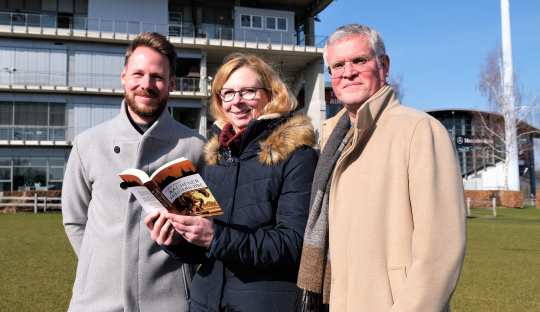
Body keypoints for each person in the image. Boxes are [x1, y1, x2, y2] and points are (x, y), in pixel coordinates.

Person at [297, 24, 467, 311]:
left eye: (359, 61)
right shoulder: (332, 141)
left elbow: (440, 250)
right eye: (337, 66)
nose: (347, 72)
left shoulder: (420, 131)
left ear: (384, 65)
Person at [145, 53, 318, 311]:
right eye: (228, 93)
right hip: (206, 302)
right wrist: (175, 240)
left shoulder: (297, 156)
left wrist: (215, 237)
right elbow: (202, 250)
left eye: (248, 91)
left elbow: (294, 245)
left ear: (272, 95)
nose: (237, 102)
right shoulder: (214, 158)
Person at [61, 32, 205, 312]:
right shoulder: (88, 144)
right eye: (138, 74)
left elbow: (203, 230)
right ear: (124, 77)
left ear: (171, 84)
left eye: (157, 77)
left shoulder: (195, 148)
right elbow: (74, 220)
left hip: (171, 302)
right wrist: (100, 269)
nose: (146, 84)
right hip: (95, 301)